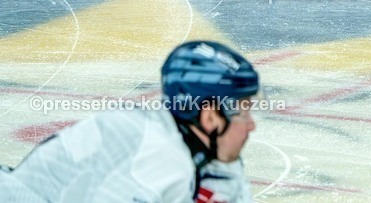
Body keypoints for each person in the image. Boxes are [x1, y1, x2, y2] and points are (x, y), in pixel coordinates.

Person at [0, 40, 260, 202]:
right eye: (243, 113)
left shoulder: (210, 156)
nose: (251, 125)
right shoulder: (158, 154)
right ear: (210, 116)